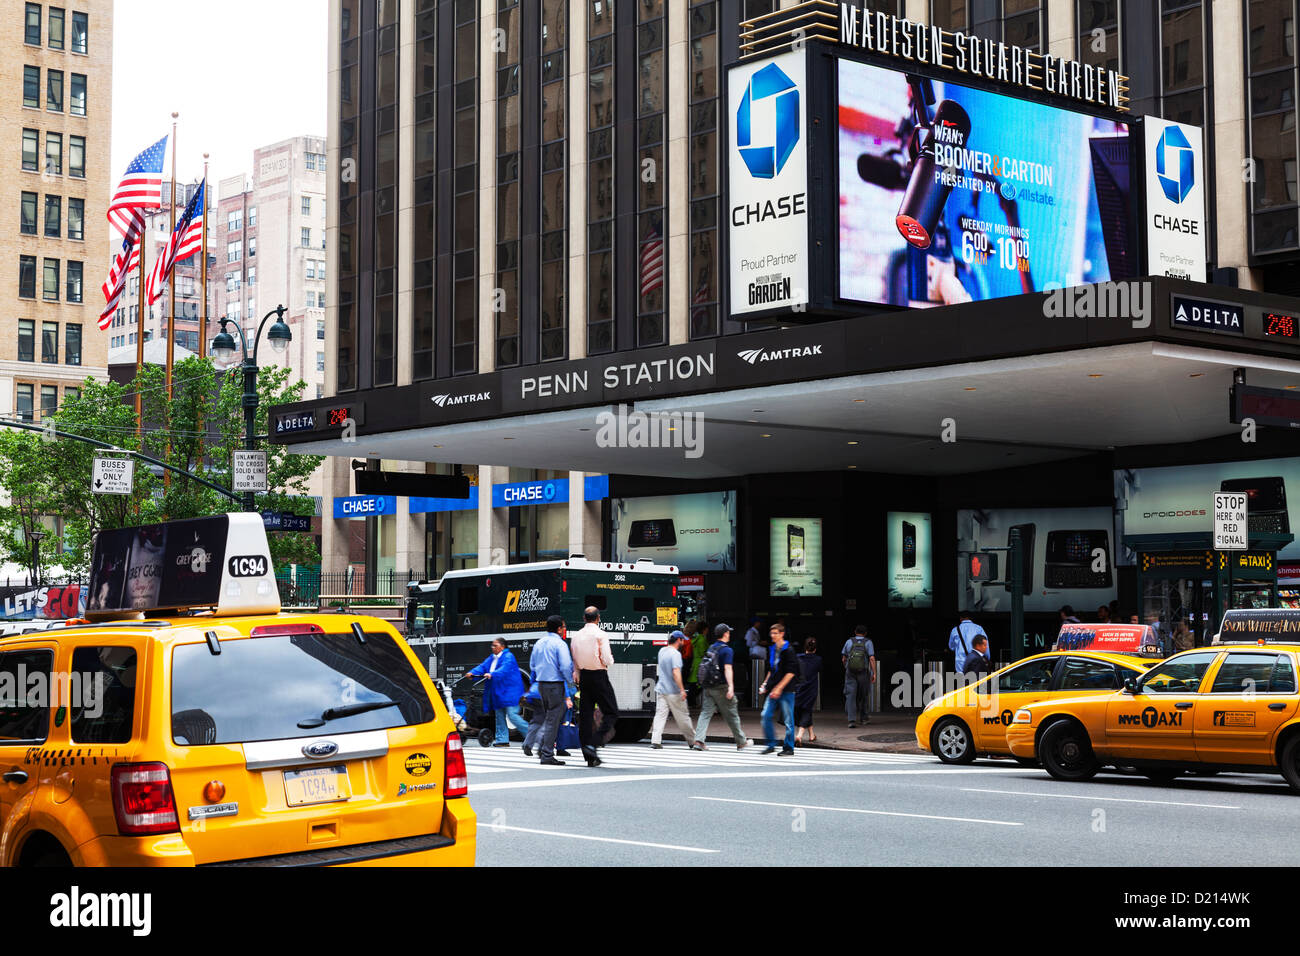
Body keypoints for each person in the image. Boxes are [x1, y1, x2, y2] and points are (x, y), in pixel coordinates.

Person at [571, 605, 618, 768]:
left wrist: (576, 672)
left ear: (584, 618)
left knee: (585, 716)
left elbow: (575, 658)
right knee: (611, 711)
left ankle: (588, 756)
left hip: (584, 677)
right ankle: (594, 743)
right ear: (598, 618)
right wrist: (609, 661)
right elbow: (606, 657)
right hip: (599, 676)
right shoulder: (601, 635)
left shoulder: (576, 636)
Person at [694, 623, 749, 749]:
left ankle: (698, 740)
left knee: (706, 712)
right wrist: (731, 687)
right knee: (732, 713)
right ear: (725, 634)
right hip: (721, 686)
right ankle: (741, 742)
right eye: (728, 632)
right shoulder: (727, 650)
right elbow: (728, 669)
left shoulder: (711, 648)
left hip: (708, 686)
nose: (729, 634)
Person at [530, 615, 576, 765]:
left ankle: (543, 747)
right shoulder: (560, 644)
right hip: (555, 685)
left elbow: (532, 665)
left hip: (542, 685)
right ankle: (547, 754)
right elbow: (565, 666)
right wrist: (570, 682)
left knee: (549, 717)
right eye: (563, 627)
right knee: (553, 720)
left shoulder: (539, 643)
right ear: (559, 629)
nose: (564, 630)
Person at [467, 638, 528, 747]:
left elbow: (504, 669)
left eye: (495, 645)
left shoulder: (508, 657)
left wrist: (492, 674)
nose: (492, 647)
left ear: (502, 647)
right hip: (499, 692)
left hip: (510, 692)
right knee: (499, 715)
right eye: (492, 645)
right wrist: (472, 673)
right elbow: (482, 666)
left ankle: (530, 735)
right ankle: (502, 740)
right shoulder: (492, 658)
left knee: (512, 715)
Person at [650, 631, 701, 749]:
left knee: (660, 715)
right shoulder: (675, 654)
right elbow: (676, 673)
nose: (683, 642)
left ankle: (655, 740)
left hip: (661, 689)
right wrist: (682, 690)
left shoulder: (662, 651)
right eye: (682, 640)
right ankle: (692, 741)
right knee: (683, 717)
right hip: (673, 691)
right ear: (678, 640)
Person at [758, 622, 799, 755]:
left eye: (775, 633)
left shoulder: (789, 650)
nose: (772, 635)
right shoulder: (772, 649)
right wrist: (765, 684)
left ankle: (788, 747)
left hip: (786, 689)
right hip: (774, 688)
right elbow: (771, 669)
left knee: (788, 720)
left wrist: (779, 688)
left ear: (782, 634)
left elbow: (791, 672)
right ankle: (771, 743)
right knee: (765, 715)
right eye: (771, 633)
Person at [841, 625, 876, 728]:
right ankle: (864, 718)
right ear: (865, 633)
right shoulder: (868, 642)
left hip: (850, 672)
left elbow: (843, 658)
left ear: (855, 632)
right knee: (863, 695)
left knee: (850, 695)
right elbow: (872, 658)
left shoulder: (849, 641)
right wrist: (874, 672)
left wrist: (847, 667)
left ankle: (851, 720)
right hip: (863, 672)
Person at [794, 637, 821, 745]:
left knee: (804, 710)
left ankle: (811, 735)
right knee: (807, 710)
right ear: (815, 649)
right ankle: (799, 736)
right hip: (811, 689)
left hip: (799, 688)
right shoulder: (818, 660)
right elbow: (819, 669)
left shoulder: (798, 658)